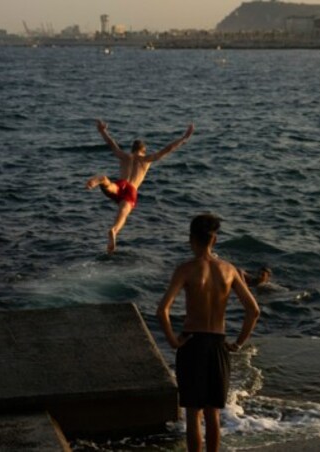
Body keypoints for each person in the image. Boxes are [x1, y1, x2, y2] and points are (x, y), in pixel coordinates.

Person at [156, 214, 260, 452]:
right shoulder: (229, 270)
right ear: (214, 240)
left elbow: (162, 310)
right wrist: (238, 343)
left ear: (192, 239)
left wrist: (173, 341)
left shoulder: (186, 270)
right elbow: (253, 311)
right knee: (213, 412)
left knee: (193, 414)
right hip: (218, 345)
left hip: (192, 343)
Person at [86, 119, 194, 253]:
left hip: (121, 184)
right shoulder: (146, 159)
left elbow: (111, 144)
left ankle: (100, 180)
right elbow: (168, 149)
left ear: (132, 149)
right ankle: (114, 230)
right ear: (143, 150)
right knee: (123, 213)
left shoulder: (125, 156)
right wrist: (184, 138)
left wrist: (103, 131)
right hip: (131, 190)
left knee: (109, 185)